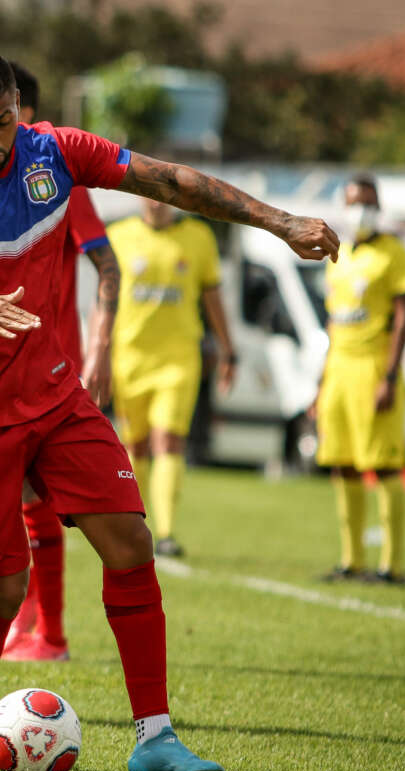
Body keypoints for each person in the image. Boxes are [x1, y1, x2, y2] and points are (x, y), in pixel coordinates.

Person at [0, 49, 337, 771]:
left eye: (3, 121)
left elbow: (170, 180)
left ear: (21, 104)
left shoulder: (56, 151)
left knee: (131, 541)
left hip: (53, 394)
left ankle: (155, 737)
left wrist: (280, 221)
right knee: (2, 586)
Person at [0, 61, 122, 663]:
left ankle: (50, 632)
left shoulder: (52, 172)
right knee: (20, 504)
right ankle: (30, 627)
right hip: (0, 374)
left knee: (42, 504)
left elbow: (106, 264)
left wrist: (100, 350)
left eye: (6, 117)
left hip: (53, 370)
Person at [107, 199, 237, 557]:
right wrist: (97, 351)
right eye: (149, 193)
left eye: (164, 195)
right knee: (135, 445)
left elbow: (213, 296)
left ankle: (165, 533)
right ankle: (136, 525)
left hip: (179, 359)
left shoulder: (198, 237)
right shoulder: (118, 236)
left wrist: (229, 349)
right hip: (129, 357)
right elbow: (103, 301)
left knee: (168, 440)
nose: (156, 201)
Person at [313, 173, 405, 585]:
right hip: (339, 369)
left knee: (385, 465)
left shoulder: (394, 254)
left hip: (374, 368)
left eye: (368, 203)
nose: (361, 211)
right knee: (343, 464)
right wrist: (320, 383)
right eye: (354, 202)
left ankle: (391, 566)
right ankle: (351, 560)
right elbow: (333, 322)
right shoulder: (339, 257)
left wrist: (389, 376)